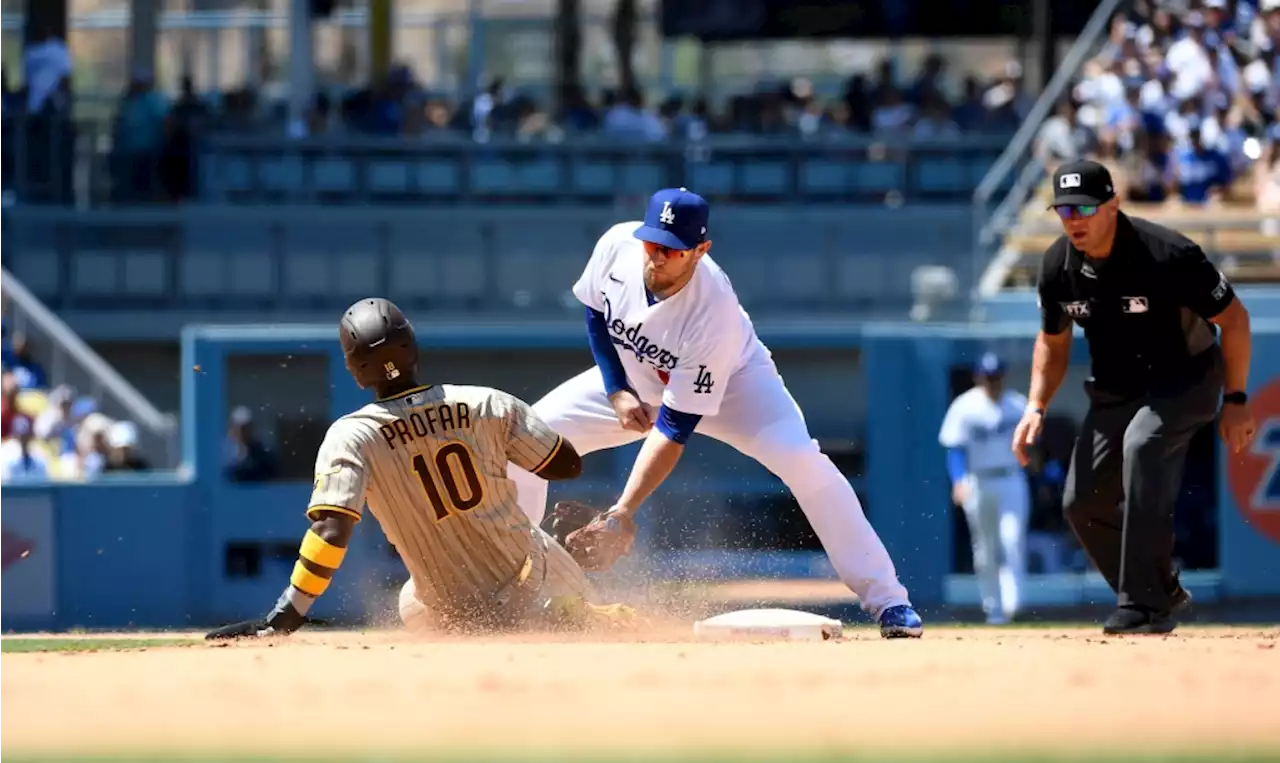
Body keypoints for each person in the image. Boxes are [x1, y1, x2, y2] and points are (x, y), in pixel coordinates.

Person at [506, 187, 923, 639]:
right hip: (639, 372)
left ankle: (889, 601)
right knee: (527, 441)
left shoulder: (713, 308)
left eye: (672, 248)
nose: (657, 255)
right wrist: (616, 390)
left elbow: (673, 428)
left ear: (701, 250)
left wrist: (622, 513)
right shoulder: (618, 244)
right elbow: (595, 314)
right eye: (652, 241)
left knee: (804, 463)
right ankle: (514, 590)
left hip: (738, 386)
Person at [206, 298, 639, 640]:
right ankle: (566, 610)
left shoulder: (351, 436)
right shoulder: (486, 402)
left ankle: (525, 618)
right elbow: (565, 464)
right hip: (533, 579)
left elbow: (330, 532)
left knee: (410, 602)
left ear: (356, 371)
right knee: (535, 547)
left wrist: (286, 616)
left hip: (454, 612)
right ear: (412, 347)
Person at [1012, 159, 1256, 635]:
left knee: (1142, 444)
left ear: (1113, 205)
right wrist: (1035, 405)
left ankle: (1143, 606)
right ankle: (1159, 587)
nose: (1074, 220)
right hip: (1116, 390)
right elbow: (1053, 343)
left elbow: (1237, 321)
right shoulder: (1057, 267)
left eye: (1084, 207)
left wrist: (1239, 399)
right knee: (1081, 503)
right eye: (1064, 210)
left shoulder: (1168, 254)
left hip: (1187, 380)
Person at [938, 352, 1030, 625]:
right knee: (985, 547)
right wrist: (958, 480)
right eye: (988, 376)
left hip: (1011, 477)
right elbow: (954, 448)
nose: (993, 382)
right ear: (979, 377)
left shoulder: (1017, 404)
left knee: (1012, 539)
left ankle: (1015, 603)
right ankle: (994, 608)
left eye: (997, 376)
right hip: (977, 480)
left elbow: (1032, 445)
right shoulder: (965, 406)